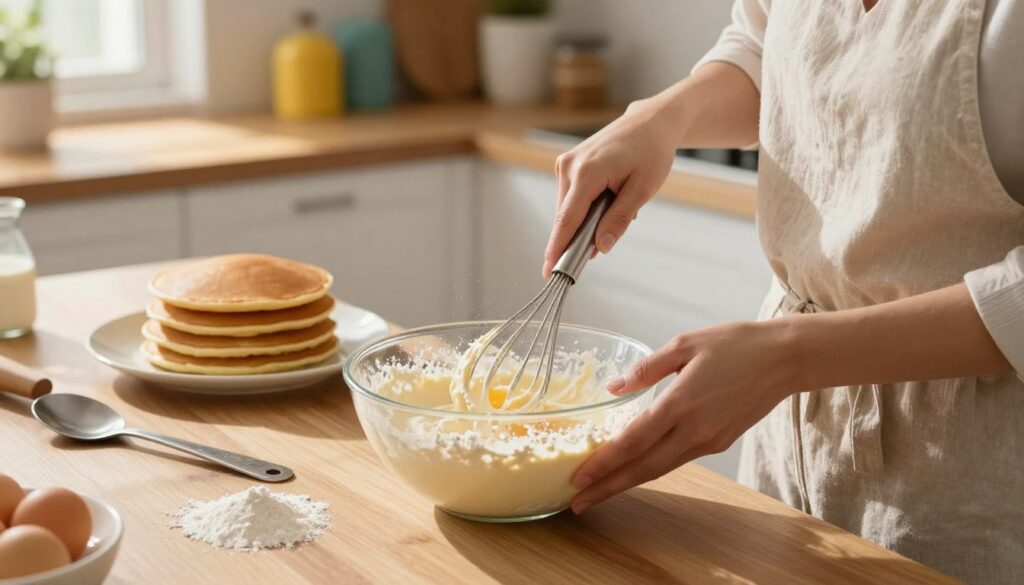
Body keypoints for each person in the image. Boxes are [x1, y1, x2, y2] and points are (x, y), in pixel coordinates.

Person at [552, 1, 1024, 582]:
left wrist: (792, 356)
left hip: (973, 476)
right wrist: (666, 115)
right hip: (788, 440)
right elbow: (768, 50)